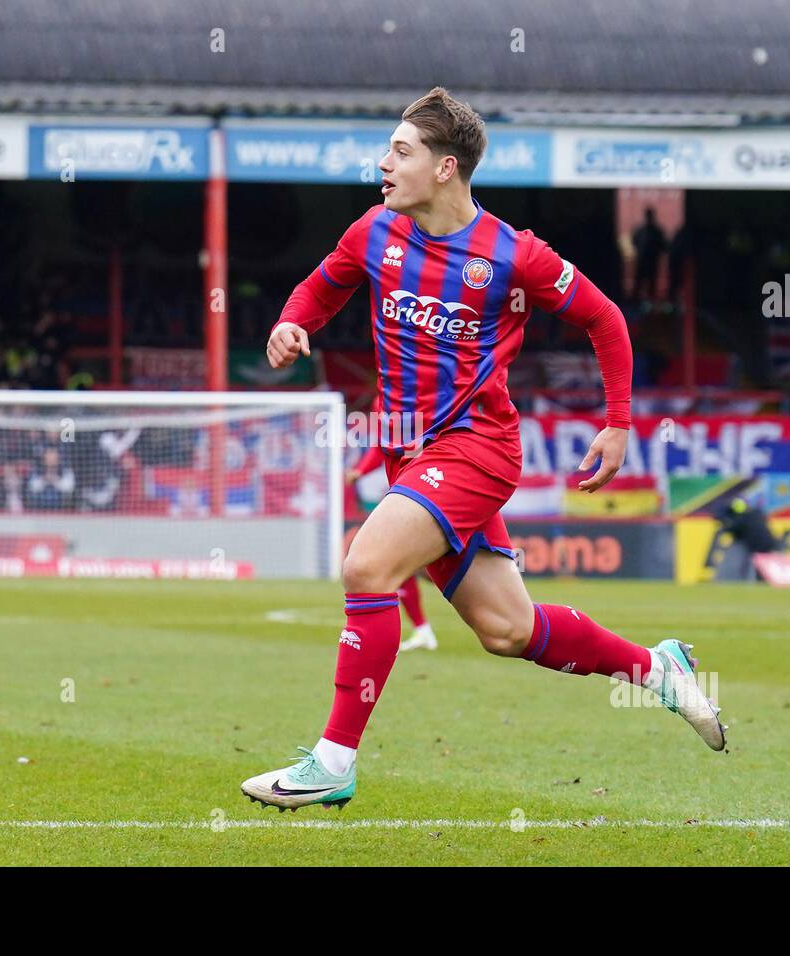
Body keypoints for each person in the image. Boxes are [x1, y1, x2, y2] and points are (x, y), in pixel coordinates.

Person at [241, 88, 726, 812]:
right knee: (508, 630)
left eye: (401, 152)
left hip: (476, 448)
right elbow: (321, 288)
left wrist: (618, 423)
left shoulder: (511, 253)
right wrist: (290, 324)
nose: (384, 163)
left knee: (366, 564)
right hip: (408, 453)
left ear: (444, 168)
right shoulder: (373, 232)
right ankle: (656, 668)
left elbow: (606, 318)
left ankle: (333, 762)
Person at [345, 443, 437, 652]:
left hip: (431, 491)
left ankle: (422, 630)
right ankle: (422, 630)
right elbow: (382, 446)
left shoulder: (429, 419)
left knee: (444, 571)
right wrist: (361, 470)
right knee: (399, 565)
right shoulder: (398, 420)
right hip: (413, 493)